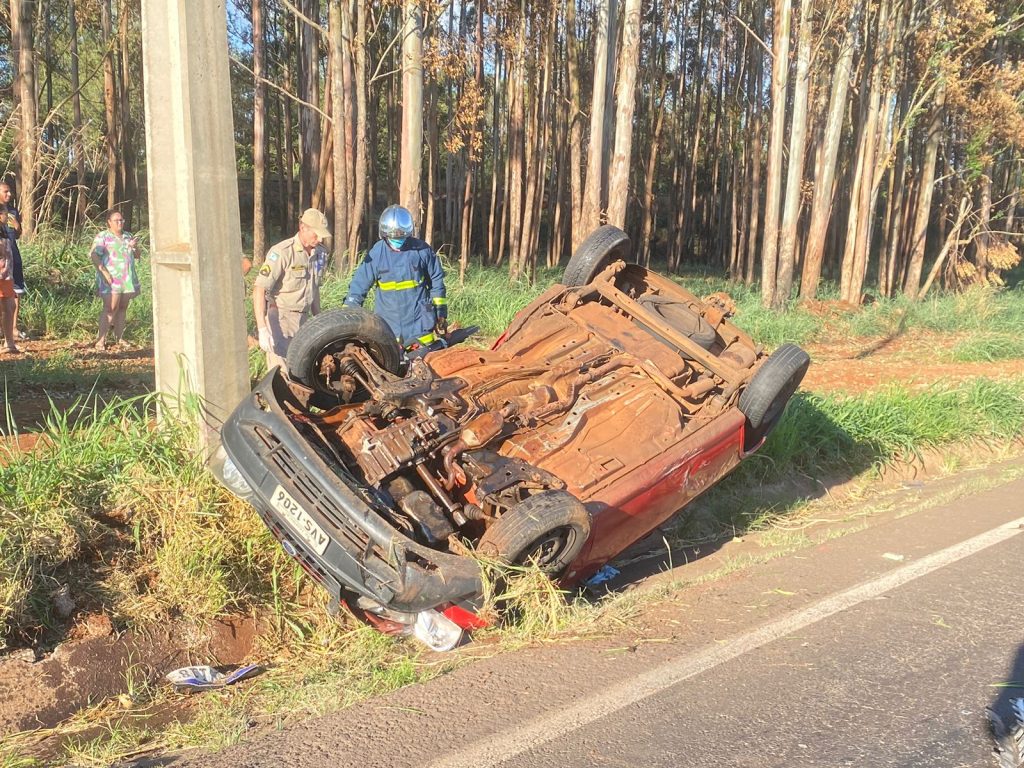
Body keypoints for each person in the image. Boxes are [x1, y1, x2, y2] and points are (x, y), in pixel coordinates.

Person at [344, 204, 447, 356]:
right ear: (385, 235)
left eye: (402, 237)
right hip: (388, 324)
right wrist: (347, 316)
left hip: (419, 324)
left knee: (429, 365)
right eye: (394, 238)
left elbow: (436, 281)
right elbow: (359, 286)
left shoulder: (422, 251)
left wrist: (440, 312)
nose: (398, 241)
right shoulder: (377, 254)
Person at [253, 208, 330, 371]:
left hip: (304, 320)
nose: (319, 238)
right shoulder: (282, 252)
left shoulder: (321, 254)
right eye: (315, 234)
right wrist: (262, 328)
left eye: (321, 234)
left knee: (302, 372)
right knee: (281, 374)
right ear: (303, 228)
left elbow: (314, 289)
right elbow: (259, 288)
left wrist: (320, 321)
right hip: (281, 319)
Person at [90, 210, 142, 351]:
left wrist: (134, 247)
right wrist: (104, 272)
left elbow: (137, 255)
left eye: (121, 220)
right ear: (109, 222)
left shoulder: (127, 236)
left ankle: (120, 337)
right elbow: (94, 255)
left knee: (122, 308)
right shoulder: (103, 237)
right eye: (116, 220)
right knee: (110, 308)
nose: (120, 223)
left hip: (127, 278)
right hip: (111, 278)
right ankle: (101, 340)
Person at [0, 182, 26, 340]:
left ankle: (14, 329)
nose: (9, 195)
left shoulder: (13, 211)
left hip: (12, 257)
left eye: (10, 192)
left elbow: (17, 235)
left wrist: (17, 227)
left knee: (16, 292)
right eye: (5, 191)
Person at [0, 202, 17, 354]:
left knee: (9, 306)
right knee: (6, 307)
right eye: (5, 213)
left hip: (6, 275)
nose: (8, 215)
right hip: (2, 276)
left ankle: (9, 343)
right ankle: (8, 343)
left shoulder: (4, 229)